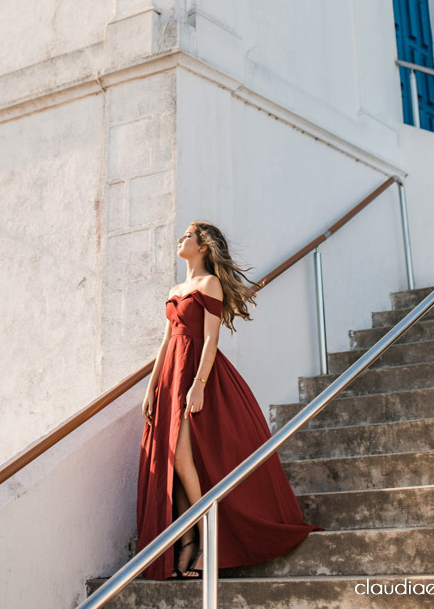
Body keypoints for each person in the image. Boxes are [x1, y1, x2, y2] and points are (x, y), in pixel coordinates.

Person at [136, 221, 320, 580]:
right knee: (172, 463)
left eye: (187, 236)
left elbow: (209, 339)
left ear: (203, 246)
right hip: (170, 377)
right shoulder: (177, 288)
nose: (180, 239)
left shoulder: (210, 284)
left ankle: (208, 542)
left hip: (194, 374)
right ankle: (187, 540)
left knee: (183, 458)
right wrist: (151, 386)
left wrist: (199, 383)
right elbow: (165, 342)